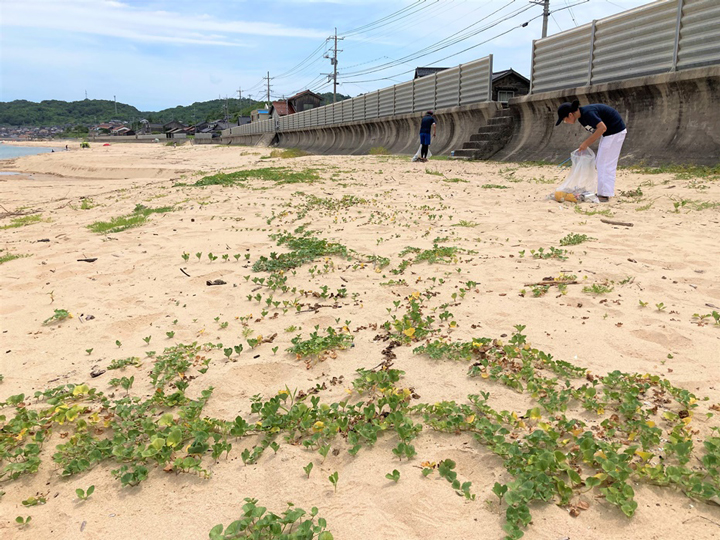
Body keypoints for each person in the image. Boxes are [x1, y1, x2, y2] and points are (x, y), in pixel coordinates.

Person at [556, 100, 627, 202]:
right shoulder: (582, 118)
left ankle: (604, 194)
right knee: (601, 162)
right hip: (609, 134)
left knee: (605, 163)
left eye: (564, 119)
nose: (565, 122)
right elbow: (599, 130)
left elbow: (602, 128)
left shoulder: (588, 113)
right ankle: (603, 192)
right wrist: (585, 145)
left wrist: (586, 143)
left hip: (615, 132)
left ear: (570, 115)